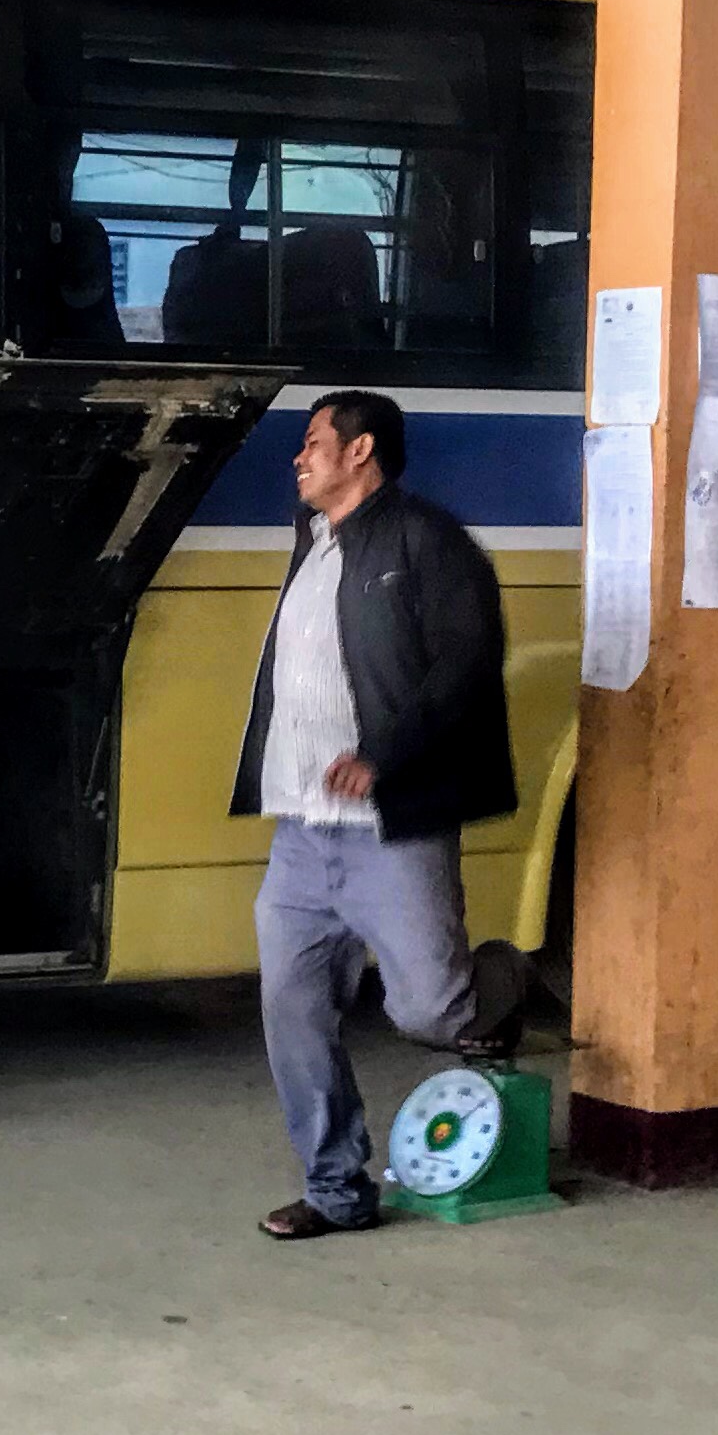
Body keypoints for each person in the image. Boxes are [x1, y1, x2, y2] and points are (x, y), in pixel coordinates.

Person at [229, 390, 529, 1243]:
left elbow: (468, 666)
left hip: (391, 828)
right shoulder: (314, 540)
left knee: (430, 1012)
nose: (300, 456)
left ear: (361, 452)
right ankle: (335, 1190)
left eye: (314, 441)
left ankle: (505, 986)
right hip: (301, 835)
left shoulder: (428, 540)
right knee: (293, 1010)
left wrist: (385, 757)